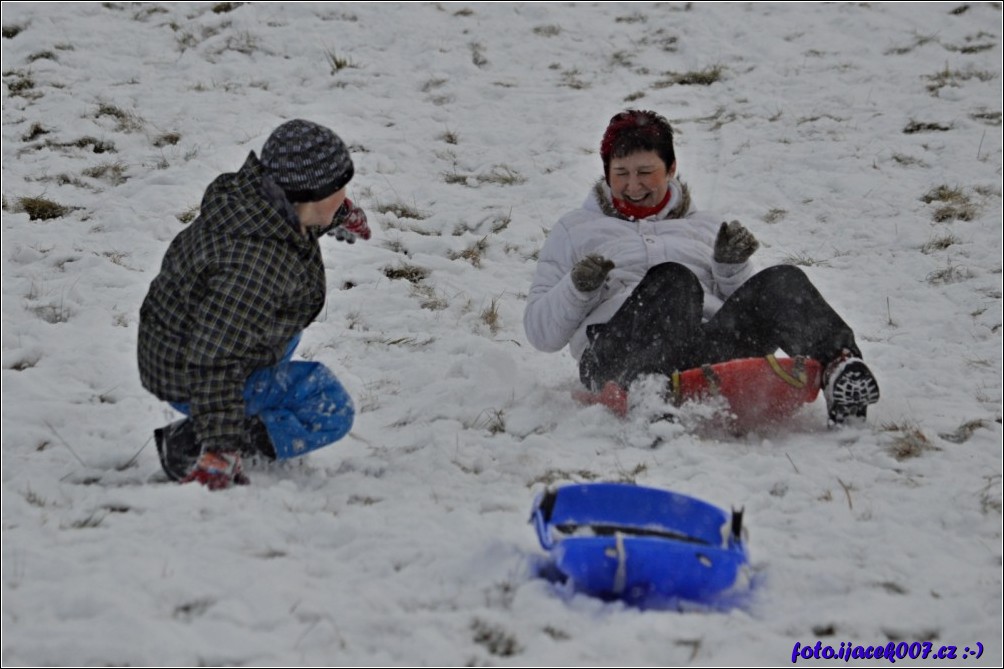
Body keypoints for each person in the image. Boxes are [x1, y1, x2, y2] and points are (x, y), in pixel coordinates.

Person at [523, 109, 879, 426]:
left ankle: (840, 370)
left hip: (704, 348)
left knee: (783, 279)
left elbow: (747, 306)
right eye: (621, 174)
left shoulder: (706, 226)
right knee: (674, 278)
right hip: (617, 354)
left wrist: (730, 268)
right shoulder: (575, 228)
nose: (633, 186)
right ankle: (648, 393)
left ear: (672, 168)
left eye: (646, 172)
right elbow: (542, 334)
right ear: (606, 173)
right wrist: (578, 288)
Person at [138, 119, 372, 490]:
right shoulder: (250, 271)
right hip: (193, 375)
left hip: (183, 343)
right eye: (338, 191)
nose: (345, 195)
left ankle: (226, 418)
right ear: (309, 196)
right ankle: (201, 440)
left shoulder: (261, 205)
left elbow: (298, 217)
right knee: (329, 406)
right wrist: (221, 444)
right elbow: (215, 359)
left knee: (283, 333)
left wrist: (336, 216)